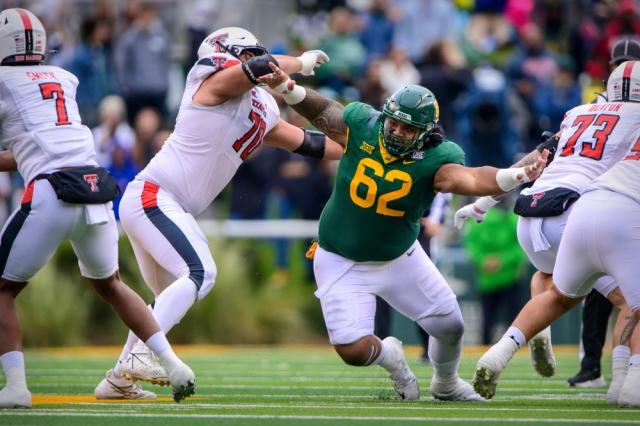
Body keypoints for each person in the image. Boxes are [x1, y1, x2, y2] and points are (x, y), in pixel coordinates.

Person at [96, 27, 343, 398]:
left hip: (167, 204)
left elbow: (312, 145)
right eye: (246, 56)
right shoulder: (208, 77)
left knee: (166, 297)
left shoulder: (263, 108)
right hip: (155, 195)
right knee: (200, 272)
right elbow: (260, 66)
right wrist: (302, 63)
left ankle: (117, 380)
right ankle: (141, 357)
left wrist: (362, 145)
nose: (253, 63)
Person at [272, 70, 547, 401]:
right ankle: (394, 361)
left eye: (409, 128)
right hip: (339, 256)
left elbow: (472, 179)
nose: (398, 131)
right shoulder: (363, 124)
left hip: (398, 257)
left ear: (426, 133)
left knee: (450, 326)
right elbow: (325, 111)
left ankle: (445, 383)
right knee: (352, 350)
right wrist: (288, 87)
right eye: (395, 123)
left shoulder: (438, 157)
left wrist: (513, 174)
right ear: (385, 116)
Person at [0, 8, 195, 408]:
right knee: (111, 285)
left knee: (2, 290)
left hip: (50, 193)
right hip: (95, 190)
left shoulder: (4, 82)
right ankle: (174, 365)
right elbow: (29, 149)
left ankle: (16, 387)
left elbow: (29, 151)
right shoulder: (63, 79)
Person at [469, 61, 640, 406]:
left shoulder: (576, 112)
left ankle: (502, 350)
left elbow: (535, 157)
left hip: (530, 211)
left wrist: (485, 202)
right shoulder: (636, 118)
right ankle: (626, 383)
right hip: (578, 207)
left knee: (554, 286)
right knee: (628, 303)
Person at [567, 36, 640, 388]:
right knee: (612, 296)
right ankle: (604, 368)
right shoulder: (602, 105)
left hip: (596, 201)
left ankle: (616, 374)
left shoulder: (591, 106)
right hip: (615, 198)